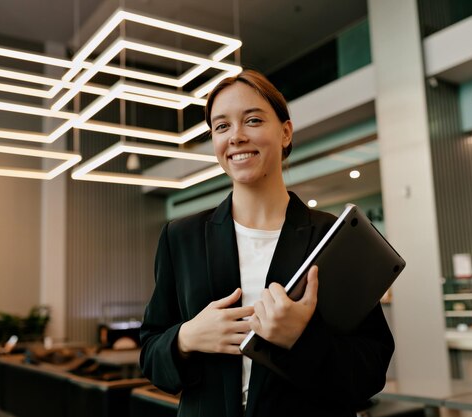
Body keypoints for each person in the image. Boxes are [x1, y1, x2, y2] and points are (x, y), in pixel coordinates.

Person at [139, 70, 394, 417]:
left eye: (253, 120)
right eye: (222, 126)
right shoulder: (180, 237)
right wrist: (186, 337)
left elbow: (370, 371)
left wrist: (299, 340)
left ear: (285, 132)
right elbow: (150, 354)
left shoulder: (334, 237)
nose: (237, 137)